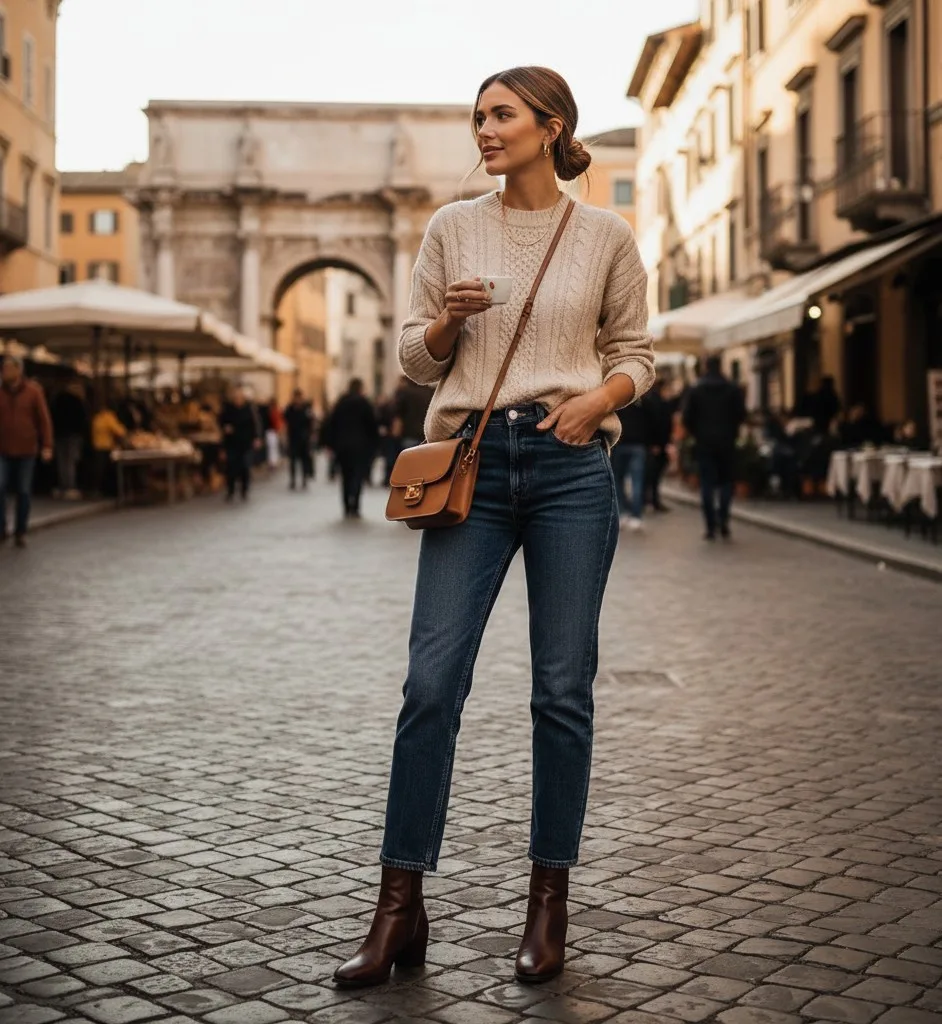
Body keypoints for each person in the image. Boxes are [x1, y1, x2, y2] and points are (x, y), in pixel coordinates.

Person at [333, 66, 654, 990]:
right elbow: (409, 359)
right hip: (470, 463)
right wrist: (444, 324)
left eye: (501, 115)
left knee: (561, 691)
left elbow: (637, 353)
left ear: (550, 128)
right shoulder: (450, 226)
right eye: (477, 116)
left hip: (566, 466)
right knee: (430, 684)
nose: (483, 128)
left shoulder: (603, 235)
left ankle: (547, 904)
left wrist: (596, 400)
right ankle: (399, 911)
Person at [682, 355, 747, 540]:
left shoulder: (696, 390)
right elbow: (741, 414)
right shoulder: (732, 389)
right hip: (727, 442)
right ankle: (724, 520)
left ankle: (710, 526)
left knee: (707, 484)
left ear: (705, 366)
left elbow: (687, 418)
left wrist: (697, 432)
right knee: (727, 482)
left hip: (704, 443)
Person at [0, 355, 54, 547]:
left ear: (18, 371)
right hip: (3, 449)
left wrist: (47, 445)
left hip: (27, 450)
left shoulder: (33, 392)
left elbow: (44, 420)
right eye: (3, 369)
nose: (5, 372)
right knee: (1, 486)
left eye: (8, 369)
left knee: (23, 491)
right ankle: (2, 528)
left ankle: (20, 530)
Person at [320, 378, 378, 518]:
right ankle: (355, 506)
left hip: (342, 446)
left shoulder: (341, 403)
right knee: (358, 475)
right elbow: (372, 425)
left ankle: (346, 505)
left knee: (345, 476)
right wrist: (375, 445)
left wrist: (329, 444)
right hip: (360, 446)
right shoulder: (364, 403)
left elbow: (331, 424)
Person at [612, 396, 649, 531]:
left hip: (620, 444)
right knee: (637, 481)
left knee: (617, 480)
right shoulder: (643, 401)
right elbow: (651, 421)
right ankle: (636, 515)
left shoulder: (617, 399)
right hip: (638, 444)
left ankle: (623, 512)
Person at [219, 386, 261, 501]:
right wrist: (226, 428)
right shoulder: (228, 410)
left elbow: (254, 425)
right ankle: (230, 491)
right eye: (236, 397)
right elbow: (222, 424)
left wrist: (256, 438)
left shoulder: (249, 409)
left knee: (244, 467)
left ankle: (244, 490)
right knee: (231, 468)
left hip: (245, 443)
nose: (237, 400)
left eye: (239, 397)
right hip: (232, 443)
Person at [52, 381, 89, 500]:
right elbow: (82, 419)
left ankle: (63, 485)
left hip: (59, 434)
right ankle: (70, 486)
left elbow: (53, 416)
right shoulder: (78, 402)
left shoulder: (57, 401)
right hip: (73, 435)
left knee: (62, 461)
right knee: (71, 461)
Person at [644, 379, 673, 512]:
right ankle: (651, 499)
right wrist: (655, 443)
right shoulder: (657, 403)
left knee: (653, 473)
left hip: (658, 443)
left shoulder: (655, 401)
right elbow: (656, 424)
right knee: (653, 473)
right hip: (657, 444)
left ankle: (650, 499)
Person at [90, 401, 128, 497]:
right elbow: (119, 431)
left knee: (98, 469)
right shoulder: (108, 417)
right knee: (107, 470)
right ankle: (107, 490)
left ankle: (97, 489)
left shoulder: (96, 418)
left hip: (97, 445)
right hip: (106, 446)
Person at [284, 388, 314, 490]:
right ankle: (292, 480)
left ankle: (304, 479)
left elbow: (310, 421)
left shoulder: (306, 408)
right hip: (293, 438)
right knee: (292, 461)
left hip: (304, 438)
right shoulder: (290, 408)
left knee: (304, 460)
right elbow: (286, 419)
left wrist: (310, 434)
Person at [265, 397, 283, 471]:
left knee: (273, 448)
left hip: (273, 431)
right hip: (271, 431)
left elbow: (278, 422)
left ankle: (273, 462)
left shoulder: (274, 411)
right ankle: (272, 462)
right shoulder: (271, 411)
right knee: (272, 448)